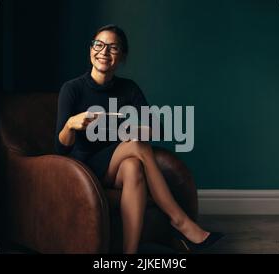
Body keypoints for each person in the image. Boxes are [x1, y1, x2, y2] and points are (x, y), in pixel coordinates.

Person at [55, 24, 223, 254]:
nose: (104, 52)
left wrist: (139, 128)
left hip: (117, 168)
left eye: (113, 48)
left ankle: (129, 254)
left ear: (122, 56)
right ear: (90, 50)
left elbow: (157, 129)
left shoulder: (128, 89)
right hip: (84, 168)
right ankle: (180, 221)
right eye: (99, 45)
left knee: (134, 166)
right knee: (136, 146)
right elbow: (60, 148)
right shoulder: (72, 89)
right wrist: (70, 124)